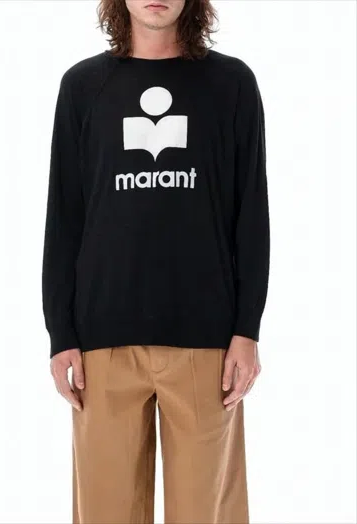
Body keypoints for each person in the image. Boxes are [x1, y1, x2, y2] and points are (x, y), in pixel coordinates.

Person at [41, 0, 270, 522]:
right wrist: (60, 333)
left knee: (205, 513)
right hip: (102, 340)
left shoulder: (231, 84)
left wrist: (246, 329)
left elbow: (251, 214)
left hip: (207, 341)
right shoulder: (82, 87)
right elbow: (64, 216)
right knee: (105, 512)